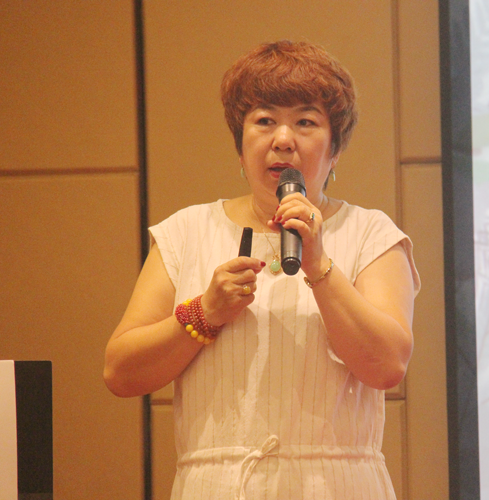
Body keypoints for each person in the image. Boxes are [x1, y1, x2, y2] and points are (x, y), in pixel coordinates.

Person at [104, 40, 420, 499]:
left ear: (334, 150)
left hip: (339, 486)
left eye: (306, 122)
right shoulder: (186, 232)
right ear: (240, 145)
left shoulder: (371, 233)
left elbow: (388, 365)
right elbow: (120, 372)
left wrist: (318, 264)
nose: (283, 139)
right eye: (265, 120)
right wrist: (203, 313)